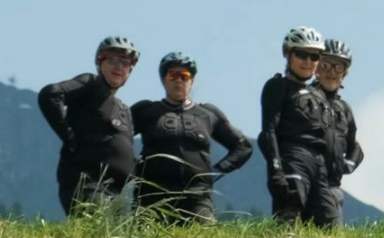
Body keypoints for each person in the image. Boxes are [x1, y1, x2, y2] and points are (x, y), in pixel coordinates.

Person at [130, 52, 254, 224]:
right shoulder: (146, 111)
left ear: (192, 80)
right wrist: (133, 166)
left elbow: (243, 146)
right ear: (163, 79)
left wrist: (217, 170)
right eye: (173, 75)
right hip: (151, 195)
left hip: (197, 198)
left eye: (184, 75)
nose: (179, 80)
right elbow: (117, 137)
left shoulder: (208, 114)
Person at [258, 29, 364, 228]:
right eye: (302, 54)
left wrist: (344, 165)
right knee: (288, 220)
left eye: (314, 56)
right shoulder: (279, 86)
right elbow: (268, 133)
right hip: (294, 160)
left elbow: (352, 145)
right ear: (288, 54)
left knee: (331, 230)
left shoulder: (326, 101)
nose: (308, 61)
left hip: (322, 173)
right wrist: (276, 170)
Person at [37, 36, 140, 216]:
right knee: (97, 228)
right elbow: (51, 94)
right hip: (88, 184)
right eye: (113, 59)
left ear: (130, 71)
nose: (119, 66)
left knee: (116, 234)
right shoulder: (91, 84)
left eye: (125, 63)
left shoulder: (124, 110)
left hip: (118, 195)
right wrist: (66, 134)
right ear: (99, 61)